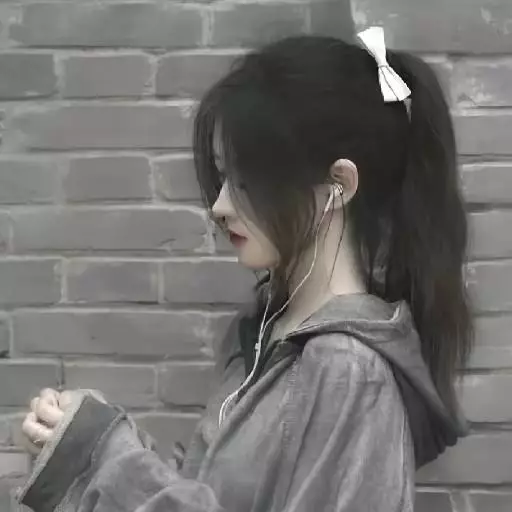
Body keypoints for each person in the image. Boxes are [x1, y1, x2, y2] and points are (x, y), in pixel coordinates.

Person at [17, 27, 472, 512]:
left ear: (338, 184)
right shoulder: (268, 334)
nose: (220, 205)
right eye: (224, 177)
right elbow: (210, 495)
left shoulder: (347, 370)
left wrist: (106, 459)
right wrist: (89, 438)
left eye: (248, 182)